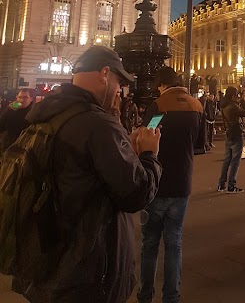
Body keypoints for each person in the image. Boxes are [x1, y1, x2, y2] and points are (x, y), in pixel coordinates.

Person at [19, 45, 161, 303]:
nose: (120, 90)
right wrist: (149, 155)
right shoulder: (98, 124)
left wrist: (119, 150)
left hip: (46, 260)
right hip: (88, 272)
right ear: (105, 74)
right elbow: (137, 193)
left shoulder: (48, 112)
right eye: (119, 81)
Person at [138, 66, 205, 303]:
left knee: (149, 244)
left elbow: (148, 135)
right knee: (174, 242)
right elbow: (200, 143)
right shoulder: (196, 106)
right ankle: (172, 297)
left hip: (156, 182)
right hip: (182, 181)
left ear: (161, 84)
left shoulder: (160, 106)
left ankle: (145, 295)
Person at [217, 86, 245, 193]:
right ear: (233, 95)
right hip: (236, 133)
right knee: (235, 161)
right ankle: (231, 185)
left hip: (229, 133)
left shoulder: (224, 105)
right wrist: (243, 101)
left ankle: (221, 184)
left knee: (227, 160)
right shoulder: (233, 106)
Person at [0, 88, 35, 153]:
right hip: (8, 147)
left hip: (24, 149)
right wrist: (9, 109)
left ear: (31, 99)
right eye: (19, 97)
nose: (21, 100)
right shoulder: (11, 110)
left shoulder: (34, 113)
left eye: (25, 97)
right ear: (16, 97)